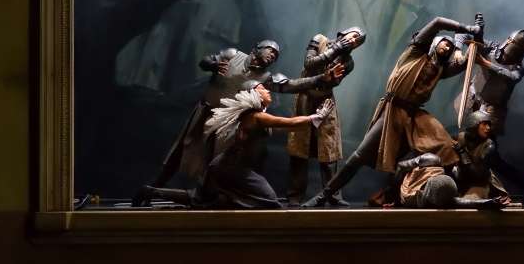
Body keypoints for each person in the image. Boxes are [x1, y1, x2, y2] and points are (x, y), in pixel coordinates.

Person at [301, 14, 485, 208]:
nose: (447, 48)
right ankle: (324, 195)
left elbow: (467, 59)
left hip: (415, 117)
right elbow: (438, 22)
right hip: (393, 110)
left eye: (449, 47)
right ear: (433, 43)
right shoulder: (414, 52)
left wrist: (477, 35)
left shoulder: (440, 69)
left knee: (449, 148)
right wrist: (468, 29)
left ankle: (451, 194)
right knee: (359, 156)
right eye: (444, 43)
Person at [131, 39, 342, 207]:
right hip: (206, 112)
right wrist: (212, 64)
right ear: (257, 48)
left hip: (229, 125)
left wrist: (322, 78)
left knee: (213, 169)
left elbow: (293, 85)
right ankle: (154, 188)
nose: (272, 56)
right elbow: (204, 61)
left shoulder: (266, 78)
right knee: (178, 154)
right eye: (270, 50)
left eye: (276, 55)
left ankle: (206, 196)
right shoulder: (233, 56)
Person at [136, 82, 334, 209]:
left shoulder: (252, 116)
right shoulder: (255, 116)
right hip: (230, 168)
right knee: (270, 200)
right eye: (263, 88)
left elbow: (282, 128)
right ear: (253, 94)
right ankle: (224, 200)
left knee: (198, 198)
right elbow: (288, 123)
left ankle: (151, 192)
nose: (267, 90)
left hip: (223, 166)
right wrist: (317, 117)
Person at [285, 27, 366, 206]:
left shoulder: (348, 61)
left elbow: (334, 81)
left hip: (325, 100)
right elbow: (309, 64)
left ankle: (333, 196)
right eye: (354, 36)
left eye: (358, 41)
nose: (354, 41)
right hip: (305, 97)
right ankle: (294, 195)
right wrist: (335, 49)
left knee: (329, 150)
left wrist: (329, 78)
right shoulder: (319, 39)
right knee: (299, 147)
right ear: (343, 33)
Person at [462, 29, 524, 136]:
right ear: (508, 41)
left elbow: (512, 77)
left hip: (491, 110)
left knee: (485, 143)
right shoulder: (492, 47)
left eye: (519, 49)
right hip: (472, 97)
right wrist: (461, 47)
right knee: (462, 130)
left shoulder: (518, 69)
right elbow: (464, 35)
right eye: (516, 46)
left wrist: (485, 63)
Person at [389, 151, 508, 209]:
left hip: (415, 195)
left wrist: (489, 203)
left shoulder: (438, 198)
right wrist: (394, 198)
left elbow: (461, 202)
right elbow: (400, 166)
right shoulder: (430, 160)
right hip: (415, 167)